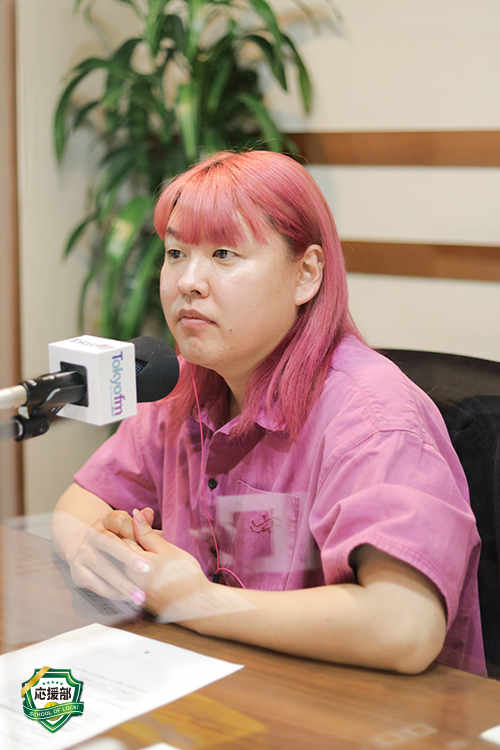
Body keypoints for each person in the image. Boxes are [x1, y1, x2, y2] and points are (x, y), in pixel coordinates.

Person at [51, 150, 485, 676]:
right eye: (175, 253)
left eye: (224, 253)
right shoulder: (185, 385)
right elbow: (79, 504)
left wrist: (191, 599)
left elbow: (404, 627)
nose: (188, 281)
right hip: (224, 688)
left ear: (306, 274)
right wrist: (100, 553)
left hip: (360, 710)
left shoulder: (371, 415)